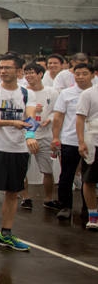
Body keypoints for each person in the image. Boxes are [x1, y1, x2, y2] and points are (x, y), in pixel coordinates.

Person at [0, 54, 36, 252]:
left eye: (8, 68)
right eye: (1, 67)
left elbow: (31, 119)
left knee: (13, 193)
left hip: (18, 149)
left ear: (19, 71)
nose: (3, 71)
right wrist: (11, 122)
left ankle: (6, 233)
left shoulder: (27, 94)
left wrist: (30, 135)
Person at [49, 62, 94, 219]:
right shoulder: (66, 93)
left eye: (84, 73)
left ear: (93, 74)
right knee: (67, 175)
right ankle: (65, 206)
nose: (80, 77)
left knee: (89, 178)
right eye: (77, 74)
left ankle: (88, 208)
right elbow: (58, 117)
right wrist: (56, 137)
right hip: (70, 140)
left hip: (92, 142)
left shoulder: (95, 93)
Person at [21, 62, 59, 209]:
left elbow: (58, 111)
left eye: (32, 73)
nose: (29, 76)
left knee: (47, 169)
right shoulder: (23, 92)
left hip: (45, 134)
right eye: (26, 73)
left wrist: (50, 118)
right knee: (22, 167)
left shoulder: (52, 92)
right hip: (26, 134)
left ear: (40, 74)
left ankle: (48, 198)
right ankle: (25, 197)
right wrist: (29, 109)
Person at [74, 71, 98, 229]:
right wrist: (81, 142)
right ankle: (93, 216)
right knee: (89, 180)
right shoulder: (88, 94)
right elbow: (80, 118)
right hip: (93, 141)